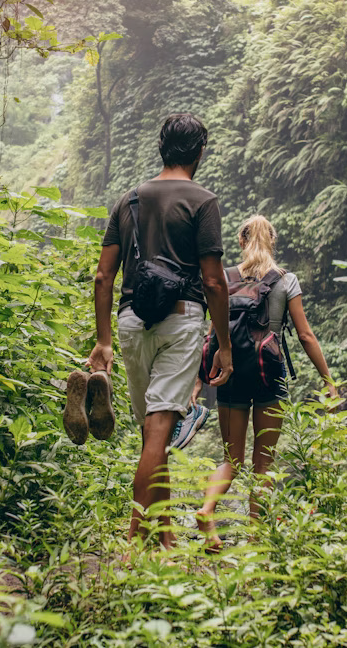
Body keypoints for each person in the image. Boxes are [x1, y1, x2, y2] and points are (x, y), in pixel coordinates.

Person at [75, 113, 234, 550]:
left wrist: (103, 340)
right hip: (180, 321)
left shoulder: (128, 201)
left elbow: (103, 277)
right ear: (200, 151)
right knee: (161, 428)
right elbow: (215, 282)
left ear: (161, 149)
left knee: (153, 431)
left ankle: (162, 533)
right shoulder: (202, 201)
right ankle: (136, 532)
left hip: (130, 321)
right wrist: (222, 344)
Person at [195, 215, 339, 552]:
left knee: (232, 458)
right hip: (268, 374)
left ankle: (207, 510)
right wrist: (327, 379)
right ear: (271, 241)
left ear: (241, 241)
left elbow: (211, 334)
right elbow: (304, 335)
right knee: (264, 463)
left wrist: (199, 381)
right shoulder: (286, 281)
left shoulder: (225, 278)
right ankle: (255, 539)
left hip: (228, 371)